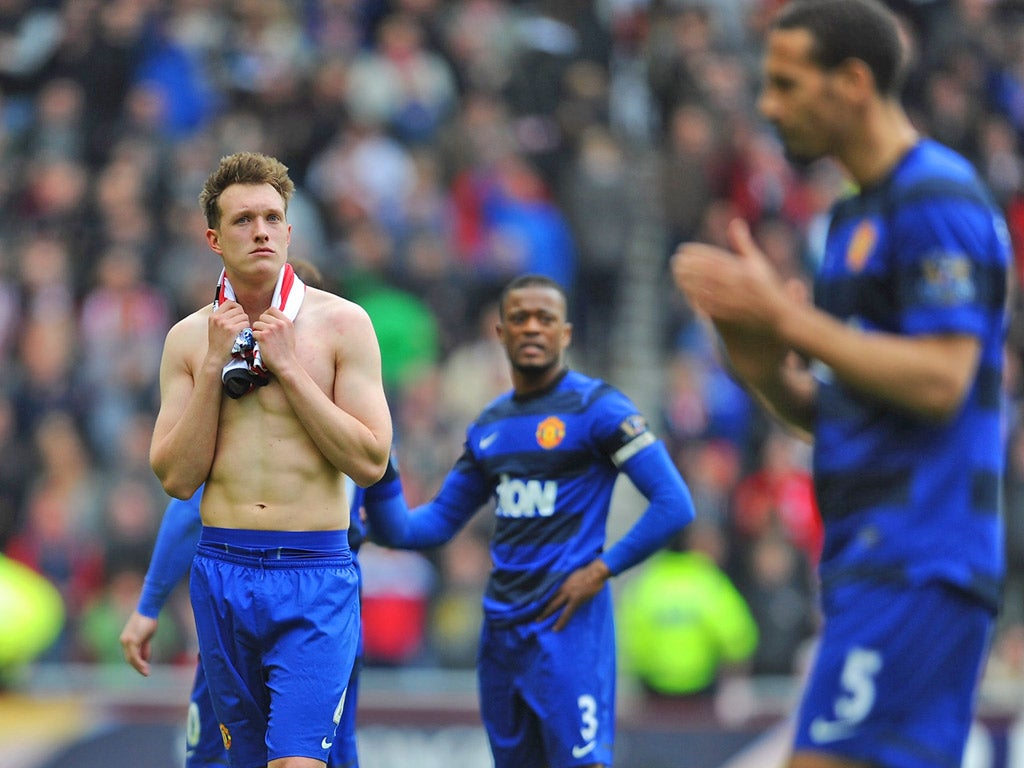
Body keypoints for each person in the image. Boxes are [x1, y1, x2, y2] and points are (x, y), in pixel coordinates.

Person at [671, 2, 1009, 767]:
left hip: (920, 554)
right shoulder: (853, 219)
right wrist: (761, 361)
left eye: (787, 84)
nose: (768, 105)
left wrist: (790, 326)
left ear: (853, 82)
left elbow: (941, 381)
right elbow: (843, 412)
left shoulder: (936, 199)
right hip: (872, 559)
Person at [364, 273, 696, 768]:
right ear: (500, 333)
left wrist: (602, 569)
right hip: (501, 635)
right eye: (520, 318)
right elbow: (425, 527)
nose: (533, 328)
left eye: (546, 318)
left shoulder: (598, 408)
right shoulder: (491, 426)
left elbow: (674, 502)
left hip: (568, 631)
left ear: (566, 333)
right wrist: (379, 471)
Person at [148, 151, 392, 768]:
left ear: (289, 230)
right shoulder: (188, 337)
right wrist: (212, 365)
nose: (260, 230)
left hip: (314, 573)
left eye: (272, 218)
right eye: (243, 220)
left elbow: (370, 460)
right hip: (223, 568)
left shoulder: (343, 324)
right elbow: (176, 478)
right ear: (213, 237)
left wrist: (286, 366)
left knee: (296, 763)